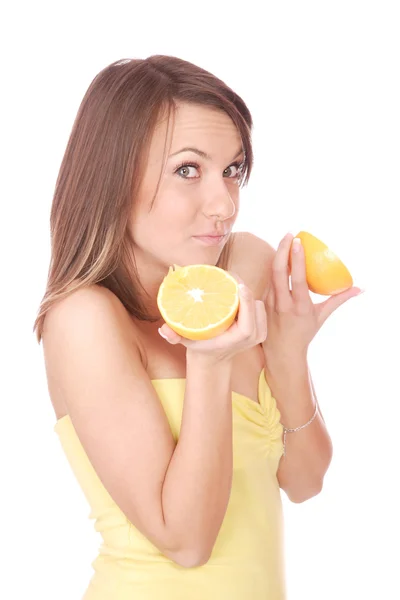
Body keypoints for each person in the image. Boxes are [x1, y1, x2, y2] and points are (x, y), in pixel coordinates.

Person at [34, 55, 362, 599]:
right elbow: (186, 542)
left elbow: (304, 483)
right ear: (113, 177)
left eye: (232, 170)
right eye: (188, 170)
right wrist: (207, 364)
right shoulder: (84, 319)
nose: (224, 203)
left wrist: (287, 355)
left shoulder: (245, 269)